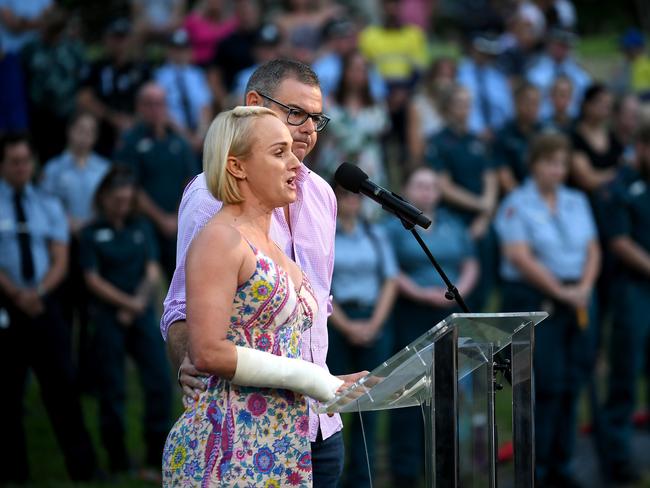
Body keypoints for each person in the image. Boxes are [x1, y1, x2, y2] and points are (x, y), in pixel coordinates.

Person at [161, 59, 364, 487]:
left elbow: (308, 319)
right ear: (254, 104)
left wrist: (329, 382)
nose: (308, 129)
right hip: (238, 429)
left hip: (315, 425)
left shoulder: (323, 195)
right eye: (296, 114)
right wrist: (189, 361)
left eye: (317, 119)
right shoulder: (210, 200)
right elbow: (184, 309)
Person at [495, 132, 601, 488]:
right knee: (547, 385)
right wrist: (561, 292)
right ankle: (535, 470)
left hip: (578, 299)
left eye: (563, 163)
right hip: (539, 301)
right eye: (551, 162)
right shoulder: (517, 203)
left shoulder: (576, 200)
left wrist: (584, 287)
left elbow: (593, 248)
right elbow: (519, 256)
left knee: (573, 383)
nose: (558, 170)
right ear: (535, 164)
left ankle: (564, 465)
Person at [0, 134, 98, 484]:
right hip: (6, 306)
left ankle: (83, 469)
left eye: (26, 161)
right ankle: (13, 471)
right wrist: (15, 293)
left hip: (44, 302)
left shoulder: (45, 202)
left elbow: (60, 255)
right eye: (14, 161)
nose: (22, 168)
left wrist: (37, 291)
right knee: (7, 394)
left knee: (62, 387)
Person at [383, 166, 479, 485]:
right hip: (410, 313)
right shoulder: (393, 227)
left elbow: (470, 262)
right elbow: (390, 269)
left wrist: (458, 289)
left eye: (432, 186)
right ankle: (406, 470)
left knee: (449, 392)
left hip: (450, 317)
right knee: (409, 391)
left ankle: (446, 467)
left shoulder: (453, 224)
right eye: (419, 185)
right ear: (407, 188)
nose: (426, 191)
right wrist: (422, 293)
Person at [79, 164, 171, 479]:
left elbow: (152, 270)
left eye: (126, 198)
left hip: (140, 312)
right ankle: (118, 460)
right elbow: (91, 279)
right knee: (113, 389)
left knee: (159, 380)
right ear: (104, 197)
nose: (122, 203)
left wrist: (136, 303)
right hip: (107, 317)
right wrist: (124, 304)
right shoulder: (91, 233)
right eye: (116, 198)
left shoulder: (141, 226)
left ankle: (155, 457)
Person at [327, 183, 398, 488]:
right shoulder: (325, 236)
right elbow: (319, 285)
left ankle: (362, 478)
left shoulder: (375, 234)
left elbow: (390, 280)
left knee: (369, 404)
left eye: (357, 196)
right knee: (335, 403)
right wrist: (347, 326)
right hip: (337, 321)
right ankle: (335, 474)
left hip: (372, 319)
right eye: (345, 195)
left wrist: (374, 323)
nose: (352, 202)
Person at [593, 124, 650, 484]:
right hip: (632, 289)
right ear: (641, 146)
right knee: (625, 375)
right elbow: (618, 241)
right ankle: (616, 459)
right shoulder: (621, 185)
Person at [41, 111, 111, 387]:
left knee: (91, 312)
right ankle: (64, 370)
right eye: (80, 129)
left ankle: (89, 373)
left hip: (92, 246)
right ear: (70, 132)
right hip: (64, 248)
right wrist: (68, 223)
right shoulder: (54, 169)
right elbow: (48, 205)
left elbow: (105, 203)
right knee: (65, 310)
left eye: (90, 131)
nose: (85, 136)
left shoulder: (103, 168)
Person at [114, 82, 198, 279]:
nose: (155, 109)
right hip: (143, 223)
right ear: (139, 107)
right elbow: (130, 185)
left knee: (182, 280)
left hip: (179, 222)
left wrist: (177, 217)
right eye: (149, 104)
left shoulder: (179, 140)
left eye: (160, 104)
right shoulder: (130, 141)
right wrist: (162, 220)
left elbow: (191, 180)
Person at [426, 84, 499, 311]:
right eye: (459, 103)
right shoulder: (438, 141)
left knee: (485, 290)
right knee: (459, 288)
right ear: (447, 107)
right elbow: (444, 186)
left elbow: (491, 178)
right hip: (454, 220)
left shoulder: (477, 140)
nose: (465, 109)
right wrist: (482, 205)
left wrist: (485, 216)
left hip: (482, 222)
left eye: (468, 103)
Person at [317, 50, 390, 216]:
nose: (358, 74)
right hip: (335, 168)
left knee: (369, 216)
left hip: (368, 170)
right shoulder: (328, 103)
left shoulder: (377, 107)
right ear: (344, 72)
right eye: (354, 69)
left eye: (363, 69)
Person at [77, 18, 151, 157]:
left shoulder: (141, 68)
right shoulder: (96, 67)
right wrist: (114, 119)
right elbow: (83, 99)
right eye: (115, 37)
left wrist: (133, 121)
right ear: (106, 39)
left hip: (137, 129)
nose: (120, 43)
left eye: (123, 37)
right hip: (102, 132)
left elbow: (151, 96)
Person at [154, 28, 213, 152]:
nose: (180, 53)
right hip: (172, 135)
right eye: (175, 49)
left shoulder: (197, 74)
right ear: (168, 51)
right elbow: (163, 111)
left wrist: (200, 135)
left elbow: (205, 107)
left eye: (183, 49)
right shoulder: (159, 76)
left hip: (199, 138)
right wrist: (186, 137)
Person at [457, 32, 514, 141]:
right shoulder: (459, 73)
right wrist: (478, 131)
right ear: (473, 49)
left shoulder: (498, 77)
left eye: (490, 54)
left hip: (498, 136)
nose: (486, 57)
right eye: (483, 52)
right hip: (467, 135)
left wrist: (495, 131)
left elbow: (507, 110)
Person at [569, 83, 623, 194]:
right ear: (586, 104)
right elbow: (586, 179)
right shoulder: (574, 137)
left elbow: (624, 166)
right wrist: (616, 175)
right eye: (600, 102)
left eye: (608, 104)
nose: (605, 107)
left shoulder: (613, 137)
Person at [526, 28, 590, 120]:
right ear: (550, 45)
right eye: (559, 45)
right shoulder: (535, 73)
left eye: (566, 46)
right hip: (543, 121)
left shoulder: (578, 73)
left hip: (573, 120)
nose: (562, 50)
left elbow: (586, 91)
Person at [494, 82, 542, 194]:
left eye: (536, 103)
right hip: (517, 198)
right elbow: (505, 178)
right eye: (528, 102)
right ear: (515, 103)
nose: (532, 108)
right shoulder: (503, 135)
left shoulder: (546, 133)